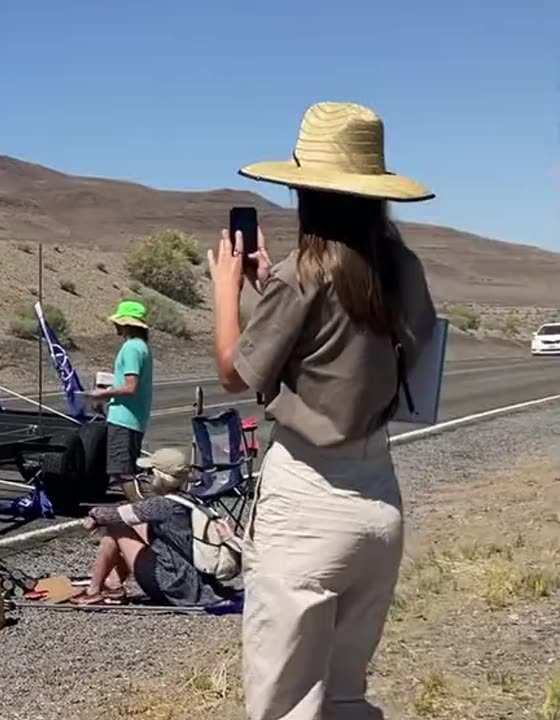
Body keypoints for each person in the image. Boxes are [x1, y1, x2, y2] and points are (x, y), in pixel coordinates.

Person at [207, 101, 436, 720]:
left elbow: (234, 372)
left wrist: (226, 292)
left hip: (307, 504)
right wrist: (270, 287)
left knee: (286, 705)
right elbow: (350, 346)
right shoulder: (400, 269)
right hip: (378, 502)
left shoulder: (305, 272)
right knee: (343, 696)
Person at [79, 447, 232, 607]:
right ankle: (113, 586)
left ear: (159, 478)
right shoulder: (191, 499)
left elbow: (115, 515)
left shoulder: (161, 505)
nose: (146, 477)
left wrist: (93, 516)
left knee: (116, 528)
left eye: (150, 473)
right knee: (133, 526)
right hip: (194, 581)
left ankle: (93, 591)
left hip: (171, 583)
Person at [87, 301, 154, 486]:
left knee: (122, 473)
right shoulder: (142, 346)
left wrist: (102, 394)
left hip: (124, 419)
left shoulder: (131, 348)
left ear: (126, 324)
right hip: (135, 417)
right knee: (125, 470)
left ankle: (139, 509)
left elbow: (131, 387)